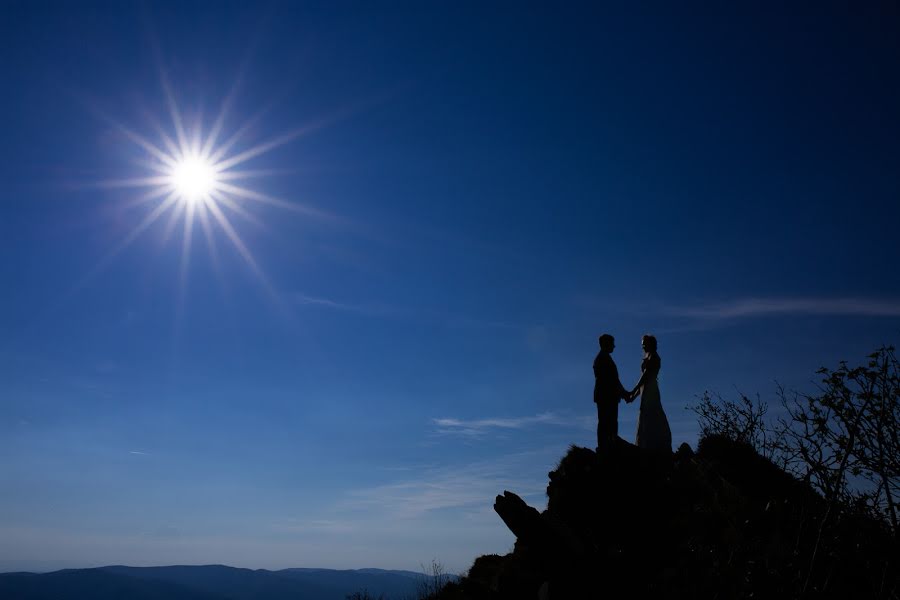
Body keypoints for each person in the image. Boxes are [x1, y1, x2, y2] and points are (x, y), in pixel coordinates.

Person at [628, 334, 672, 452]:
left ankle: (653, 446)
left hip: (651, 391)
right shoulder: (648, 356)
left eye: (644, 343)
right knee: (645, 417)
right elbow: (643, 381)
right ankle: (645, 445)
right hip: (646, 390)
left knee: (651, 416)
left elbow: (645, 376)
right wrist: (634, 396)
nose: (642, 346)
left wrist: (633, 391)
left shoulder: (654, 357)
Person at [593, 333, 630, 448]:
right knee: (607, 423)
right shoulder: (603, 359)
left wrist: (624, 393)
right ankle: (606, 447)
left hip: (608, 396)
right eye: (612, 343)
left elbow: (614, 380)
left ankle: (608, 446)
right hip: (606, 396)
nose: (614, 346)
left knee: (609, 423)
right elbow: (612, 380)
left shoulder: (603, 358)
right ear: (605, 344)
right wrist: (624, 393)